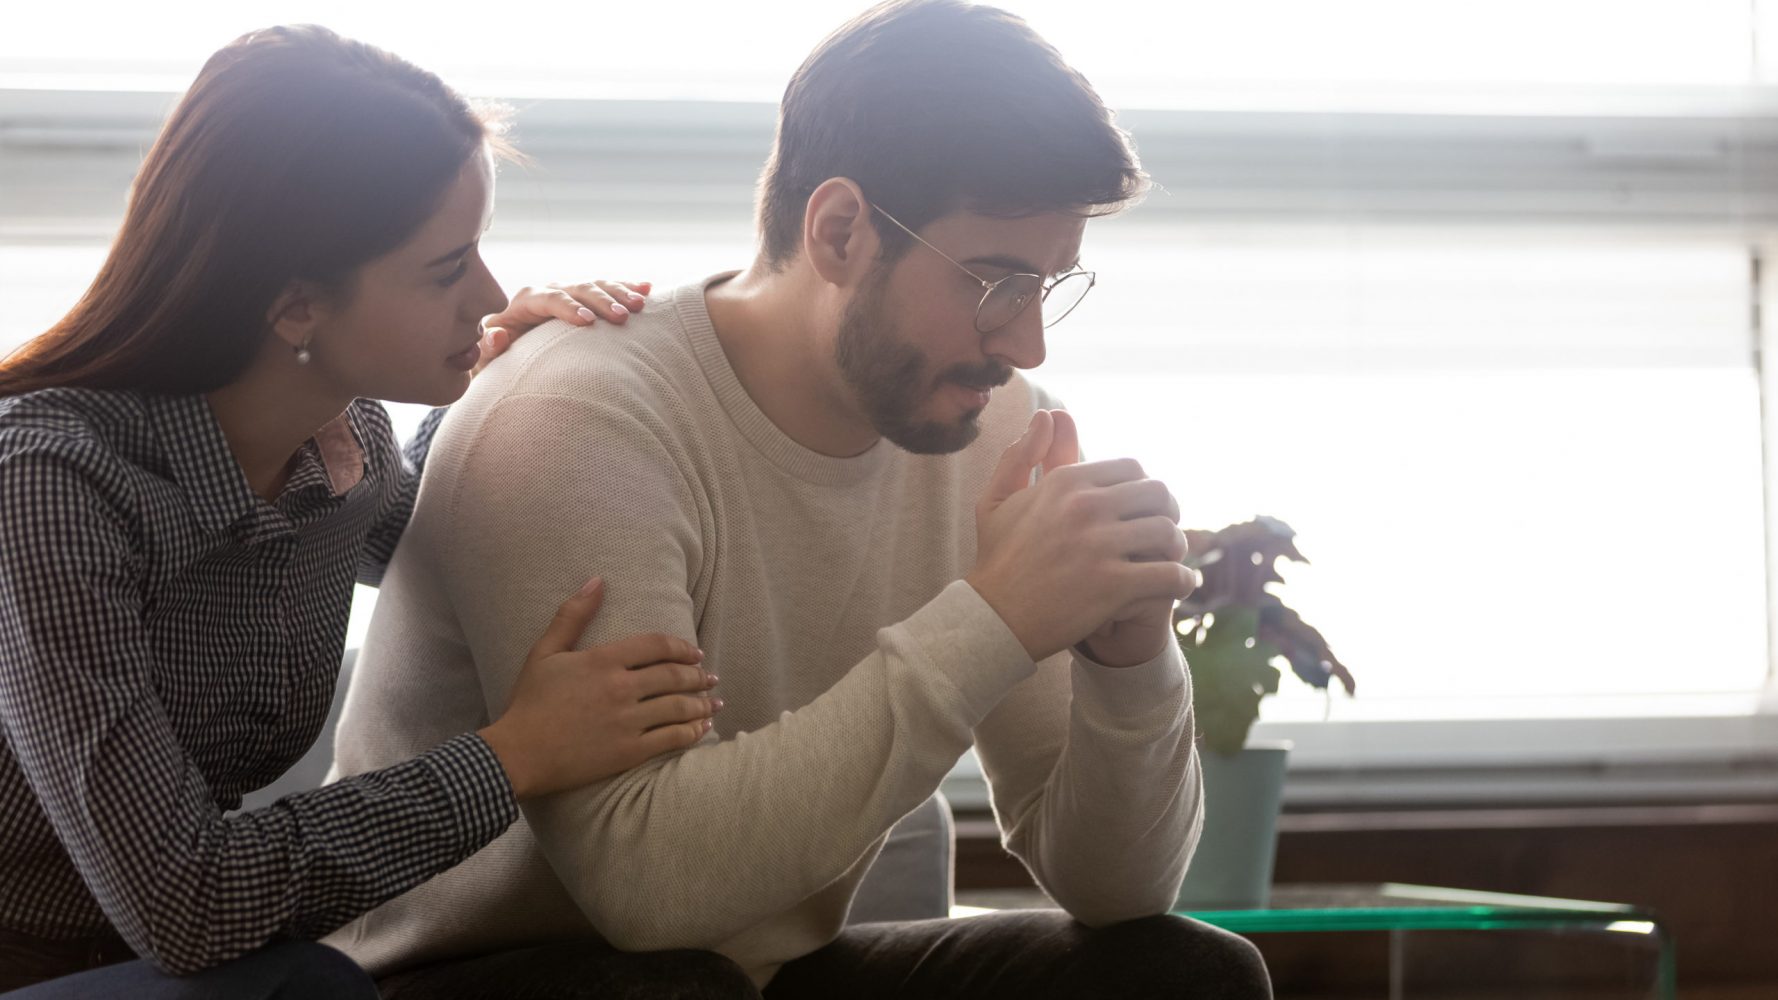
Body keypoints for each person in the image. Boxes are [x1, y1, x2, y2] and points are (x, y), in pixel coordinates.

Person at [330, 1, 1275, 997]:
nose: (1025, 343)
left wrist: (1129, 657)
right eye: (994, 281)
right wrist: (994, 618)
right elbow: (642, 890)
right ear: (839, 230)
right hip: (472, 975)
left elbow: (1117, 890)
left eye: (1048, 283)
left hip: (755, 974)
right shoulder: (578, 417)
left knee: (1182, 972)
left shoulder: (988, 422)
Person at [0, 25, 751, 998]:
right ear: (296, 305)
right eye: (446, 270)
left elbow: (444, 529)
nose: (490, 294)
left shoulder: (341, 436)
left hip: (198, 965)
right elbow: (191, 902)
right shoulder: (52, 487)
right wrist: (515, 753)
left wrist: (520, 385)